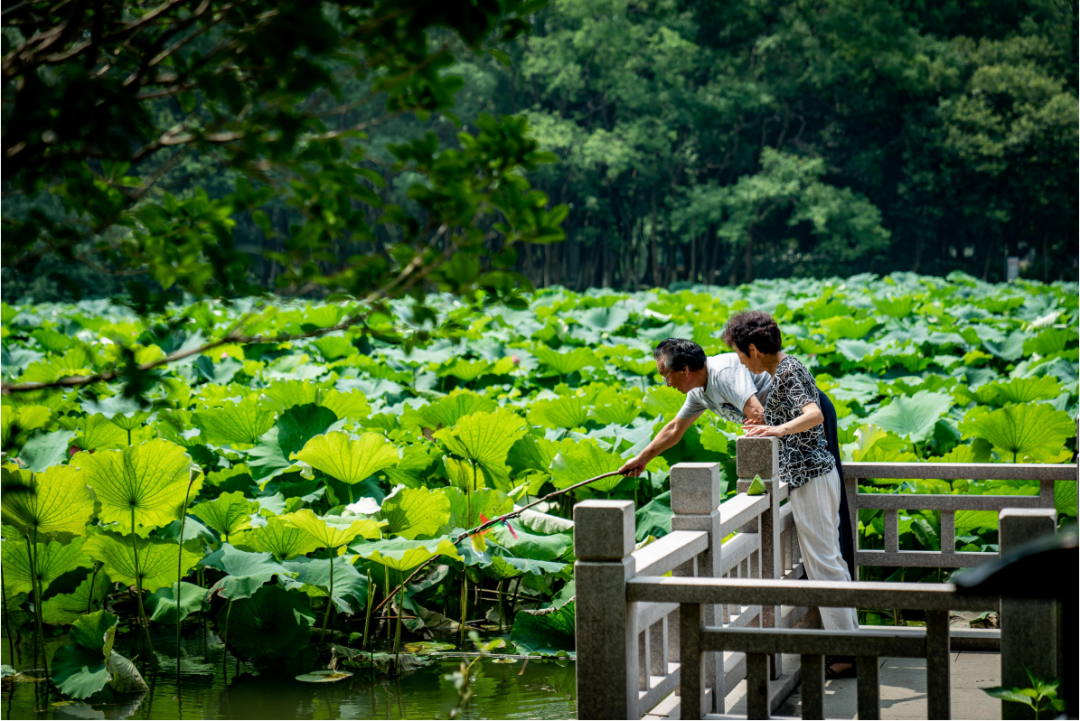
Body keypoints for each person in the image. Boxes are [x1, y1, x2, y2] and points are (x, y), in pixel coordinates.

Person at [722, 310, 858, 678]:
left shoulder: (789, 369)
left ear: (752, 349)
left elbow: (813, 415)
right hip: (816, 474)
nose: (738, 362)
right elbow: (801, 418)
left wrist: (777, 430)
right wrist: (767, 424)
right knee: (830, 561)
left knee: (824, 563)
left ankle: (849, 652)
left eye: (738, 354)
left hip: (811, 477)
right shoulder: (784, 371)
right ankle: (854, 643)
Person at [617, 337, 772, 477]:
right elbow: (674, 430)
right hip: (779, 432)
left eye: (666, 376)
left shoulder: (722, 374)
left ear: (685, 369)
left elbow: (758, 415)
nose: (668, 384)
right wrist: (641, 460)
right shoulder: (698, 391)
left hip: (792, 425)